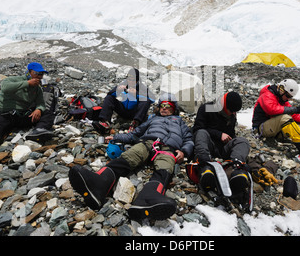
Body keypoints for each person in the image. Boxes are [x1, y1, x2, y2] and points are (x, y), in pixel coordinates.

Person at [69, 93, 193, 221]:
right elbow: (135, 133)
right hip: (147, 143)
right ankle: (98, 184)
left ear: (174, 109)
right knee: (128, 157)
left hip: (168, 148)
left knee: (164, 168)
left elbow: (189, 139)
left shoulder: (180, 122)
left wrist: (184, 151)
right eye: (162, 105)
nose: (164, 108)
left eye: (168, 105)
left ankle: (148, 197)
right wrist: (116, 137)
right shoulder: (152, 119)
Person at [0, 62, 55, 168]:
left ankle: (39, 131)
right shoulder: (14, 80)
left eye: (41, 74)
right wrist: (27, 83)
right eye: (37, 73)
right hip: (4, 114)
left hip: (21, 116)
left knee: (47, 113)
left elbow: (41, 103)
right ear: (29, 72)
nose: (39, 77)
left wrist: (39, 109)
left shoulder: (37, 89)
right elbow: (5, 88)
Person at [192, 91, 252, 204]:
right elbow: (197, 129)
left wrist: (232, 142)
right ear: (224, 105)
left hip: (223, 149)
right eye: (231, 111)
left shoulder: (232, 114)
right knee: (201, 133)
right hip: (208, 145)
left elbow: (232, 134)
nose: (233, 114)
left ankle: (235, 168)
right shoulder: (207, 108)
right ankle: (204, 167)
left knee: (242, 141)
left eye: (235, 112)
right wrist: (219, 135)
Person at [93, 68, 154, 134]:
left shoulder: (142, 87)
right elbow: (110, 94)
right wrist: (118, 90)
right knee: (109, 98)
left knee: (145, 101)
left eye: (133, 80)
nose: (130, 81)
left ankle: (135, 124)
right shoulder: (124, 84)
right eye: (129, 79)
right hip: (123, 110)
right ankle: (105, 122)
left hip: (134, 113)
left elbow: (152, 99)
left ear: (137, 80)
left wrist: (136, 94)